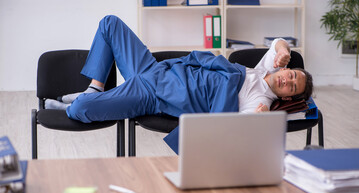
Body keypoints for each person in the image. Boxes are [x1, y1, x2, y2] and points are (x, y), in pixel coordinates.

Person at [46, 15, 313, 124]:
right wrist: (282, 50)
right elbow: (278, 40)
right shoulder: (265, 68)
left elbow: (237, 128)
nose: (288, 80)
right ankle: (95, 87)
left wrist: (260, 118)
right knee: (110, 24)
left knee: (81, 110)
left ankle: (79, 103)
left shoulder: (261, 101)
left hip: (154, 96)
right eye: (291, 74)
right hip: (157, 69)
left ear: (287, 96)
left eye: (292, 85)